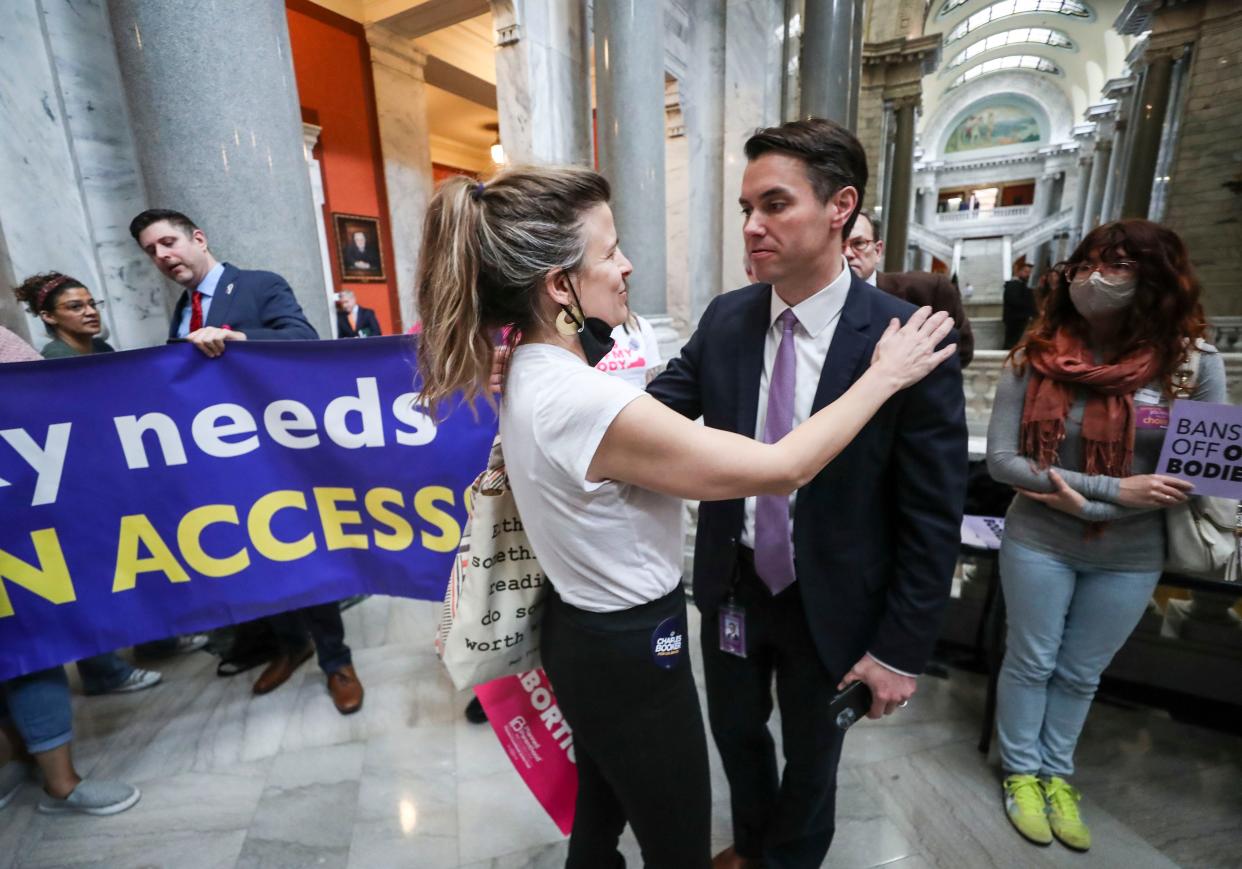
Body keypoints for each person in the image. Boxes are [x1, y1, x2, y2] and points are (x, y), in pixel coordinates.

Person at [416, 167, 955, 869]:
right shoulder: (585, 400)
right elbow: (784, 465)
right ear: (558, 284)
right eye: (609, 251)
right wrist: (883, 375)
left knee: (603, 806)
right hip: (631, 648)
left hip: (584, 631)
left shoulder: (525, 365)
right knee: (676, 842)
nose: (628, 263)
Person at [647, 118, 967, 869]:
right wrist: (561, 378)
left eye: (775, 204)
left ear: (840, 206)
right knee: (735, 734)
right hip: (732, 582)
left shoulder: (904, 339)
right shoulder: (728, 318)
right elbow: (653, 413)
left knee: (814, 755)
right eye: (745, 208)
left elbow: (931, 511)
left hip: (837, 597)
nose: (752, 227)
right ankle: (756, 848)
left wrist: (898, 647)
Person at [985, 219, 1223, 853]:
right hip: (1038, 535)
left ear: (1156, 278)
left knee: (1081, 672)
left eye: (1116, 265)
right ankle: (1020, 775)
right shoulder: (1034, 356)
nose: (1094, 278)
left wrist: (1098, 507)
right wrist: (1115, 493)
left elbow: (1201, 471)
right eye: (1086, 263)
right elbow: (1003, 462)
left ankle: (1057, 775)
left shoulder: (1192, 367)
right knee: (1031, 659)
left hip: (1132, 552)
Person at [130, 209, 364, 714]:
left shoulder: (257, 286)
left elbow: (303, 341)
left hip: (279, 457)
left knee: (303, 554)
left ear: (198, 237)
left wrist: (239, 340)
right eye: (151, 251)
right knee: (259, 558)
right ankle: (290, 644)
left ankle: (336, 661)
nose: (162, 256)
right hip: (220, 461)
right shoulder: (181, 311)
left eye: (168, 242)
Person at [11, 271, 209, 693]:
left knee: (138, 561)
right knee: (91, 577)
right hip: (79, 485)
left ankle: (158, 641)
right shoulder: (52, 362)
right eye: (75, 307)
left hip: (115, 475)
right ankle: (102, 672)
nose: (89, 313)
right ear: (48, 317)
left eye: (91, 304)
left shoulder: (101, 350)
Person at [0, 329, 140, 817]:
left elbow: (49, 398)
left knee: (24, 644)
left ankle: (36, 770)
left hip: (12, 517)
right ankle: (42, 774)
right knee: (26, 646)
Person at [846, 210, 974, 366]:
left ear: (878, 251)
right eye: (838, 245)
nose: (847, 253)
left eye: (859, 243)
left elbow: (961, 352)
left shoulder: (929, 290)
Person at [1003, 262, 1036, 349]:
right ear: (1018, 271)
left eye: (1029, 272)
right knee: (1012, 343)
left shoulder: (1021, 284)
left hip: (1019, 318)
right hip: (1015, 319)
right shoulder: (1014, 284)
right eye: (1025, 271)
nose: (1028, 274)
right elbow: (1015, 301)